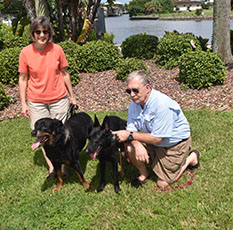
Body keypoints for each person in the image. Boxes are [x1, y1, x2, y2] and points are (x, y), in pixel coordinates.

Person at [112, 70, 200, 190]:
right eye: (129, 91)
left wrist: (130, 136)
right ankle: (144, 174)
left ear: (147, 88)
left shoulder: (162, 104)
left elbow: (158, 138)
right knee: (130, 147)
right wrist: (136, 144)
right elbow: (131, 129)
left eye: (135, 90)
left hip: (174, 144)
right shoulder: (135, 103)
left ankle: (191, 158)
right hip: (154, 140)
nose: (132, 94)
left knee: (162, 183)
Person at [18, 16, 77, 179]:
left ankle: (64, 168)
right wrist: (23, 104)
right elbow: (23, 79)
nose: (41, 35)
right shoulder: (25, 53)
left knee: (61, 134)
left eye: (45, 31)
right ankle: (53, 168)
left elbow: (65, 73)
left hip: (59, 98)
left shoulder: (57, 49)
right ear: (32, 33)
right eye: (38, 32)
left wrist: (72, 96)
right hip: (36, 102)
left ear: (49, 33)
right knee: (42, 136)